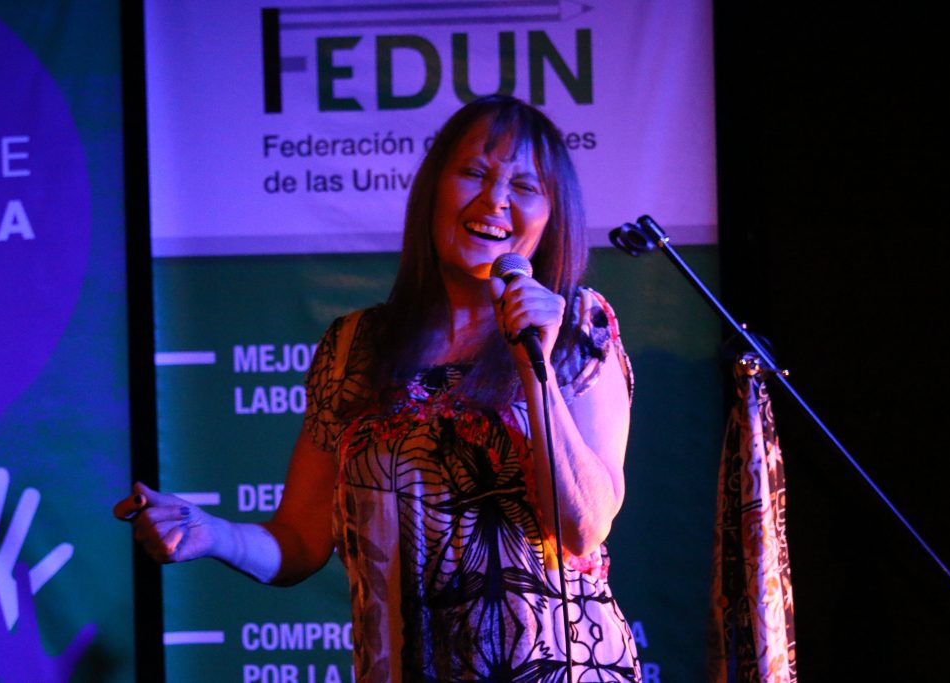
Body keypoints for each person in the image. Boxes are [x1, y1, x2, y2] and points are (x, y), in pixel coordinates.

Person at [115, 95, 642, 682]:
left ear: (551, 218)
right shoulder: (355, 346)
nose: (495, 200)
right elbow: (298, 541)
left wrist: (532, 363)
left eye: (524, 187)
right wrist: (213, 535)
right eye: (474, 173)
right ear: (432, 190)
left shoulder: (576, 327)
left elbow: (584, 525)